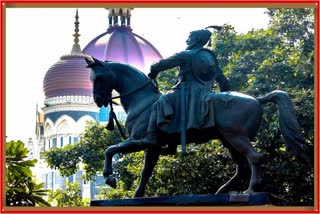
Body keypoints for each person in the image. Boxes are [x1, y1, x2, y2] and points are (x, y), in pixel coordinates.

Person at [136, 29, 230, 151]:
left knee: (160, 102)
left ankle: (151, 136)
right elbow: (223, 81)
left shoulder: (186, 54)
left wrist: (153, 71)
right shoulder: (209, 58)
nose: (187, 40)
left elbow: (161, 65)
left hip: (186, 90)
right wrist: (224, 96)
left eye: (190, 37)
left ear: (196, 39)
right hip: (204, 92)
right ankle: (172, 144)